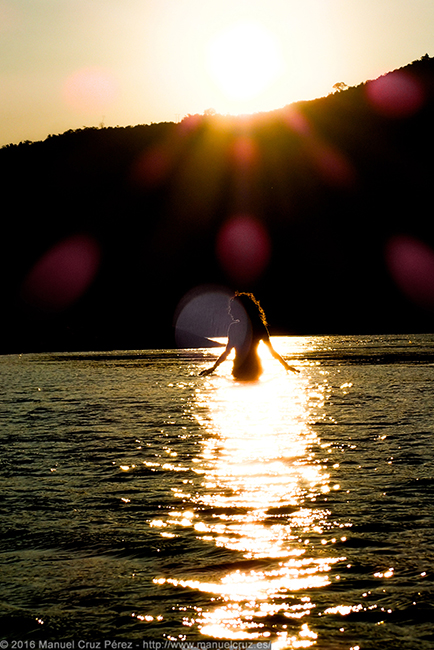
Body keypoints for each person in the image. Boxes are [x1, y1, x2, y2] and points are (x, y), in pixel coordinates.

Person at [199, 292, 299, 380]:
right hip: (255, 369)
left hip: (240, 369)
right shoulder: (259, 326)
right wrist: (286, 366)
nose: (229, 312)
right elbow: (272, 351)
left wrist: (213, 368)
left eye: (232, 308)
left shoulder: (235, 327)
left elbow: (227, 351)